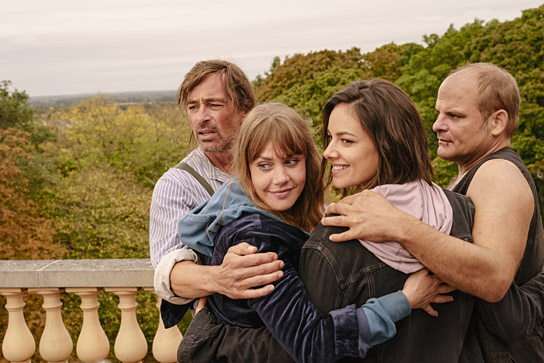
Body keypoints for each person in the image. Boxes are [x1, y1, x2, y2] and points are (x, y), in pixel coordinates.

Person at [177, 80, 478, 363]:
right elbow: (312, 343)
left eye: (291, 161)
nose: (280, 178)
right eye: (264, 165)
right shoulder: (257, 243)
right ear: (247, 170)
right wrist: (404, 300)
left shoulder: (310, 220)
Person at [323, 63, 544, 361]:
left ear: (497, 122)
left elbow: (494, 279)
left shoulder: (498, 173)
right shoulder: (474, 173)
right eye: (440, 113)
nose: (437, 124)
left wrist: (398, 225)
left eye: (454, 116)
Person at [149, 60, 284, 327]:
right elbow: (169, 275)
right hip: (233, 338)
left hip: (294, 324)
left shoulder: (280, 168)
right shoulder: (177, 183)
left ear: (245, 111)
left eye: (214, 104)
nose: (201, 117)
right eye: (193, 107)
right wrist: (221, 279)